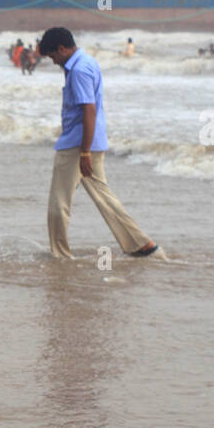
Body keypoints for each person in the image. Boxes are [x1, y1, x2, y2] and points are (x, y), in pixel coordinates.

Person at [37, 27, 159, 260]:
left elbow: (89, 110)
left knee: (58, 204)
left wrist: (84, 153)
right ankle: (141, 243)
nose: (53, 62)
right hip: (93, 140)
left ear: (62, 49)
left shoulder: (79, 70)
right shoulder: (87, 61)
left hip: (77, 144)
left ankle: (60, 255)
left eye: (53, 56)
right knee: (104, 196)